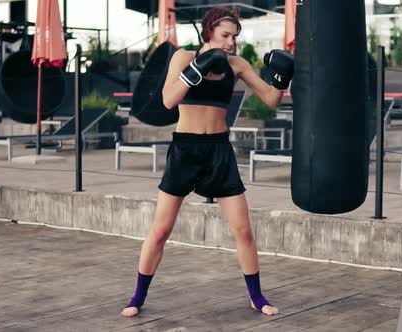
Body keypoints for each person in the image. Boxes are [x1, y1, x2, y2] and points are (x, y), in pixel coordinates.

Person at [121, 7, 294, 318]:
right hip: (185, 150)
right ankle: (137, 297)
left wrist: (281, 78)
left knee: (243, 229)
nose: (230, 42)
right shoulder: (184, 57)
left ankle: (256, 296)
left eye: (234, 37)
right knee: (160, 230)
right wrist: (196, 69)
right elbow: (167, 100)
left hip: (219, 151)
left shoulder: (236, 65)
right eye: (225, 35)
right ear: (209, 31)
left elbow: (270, 99)